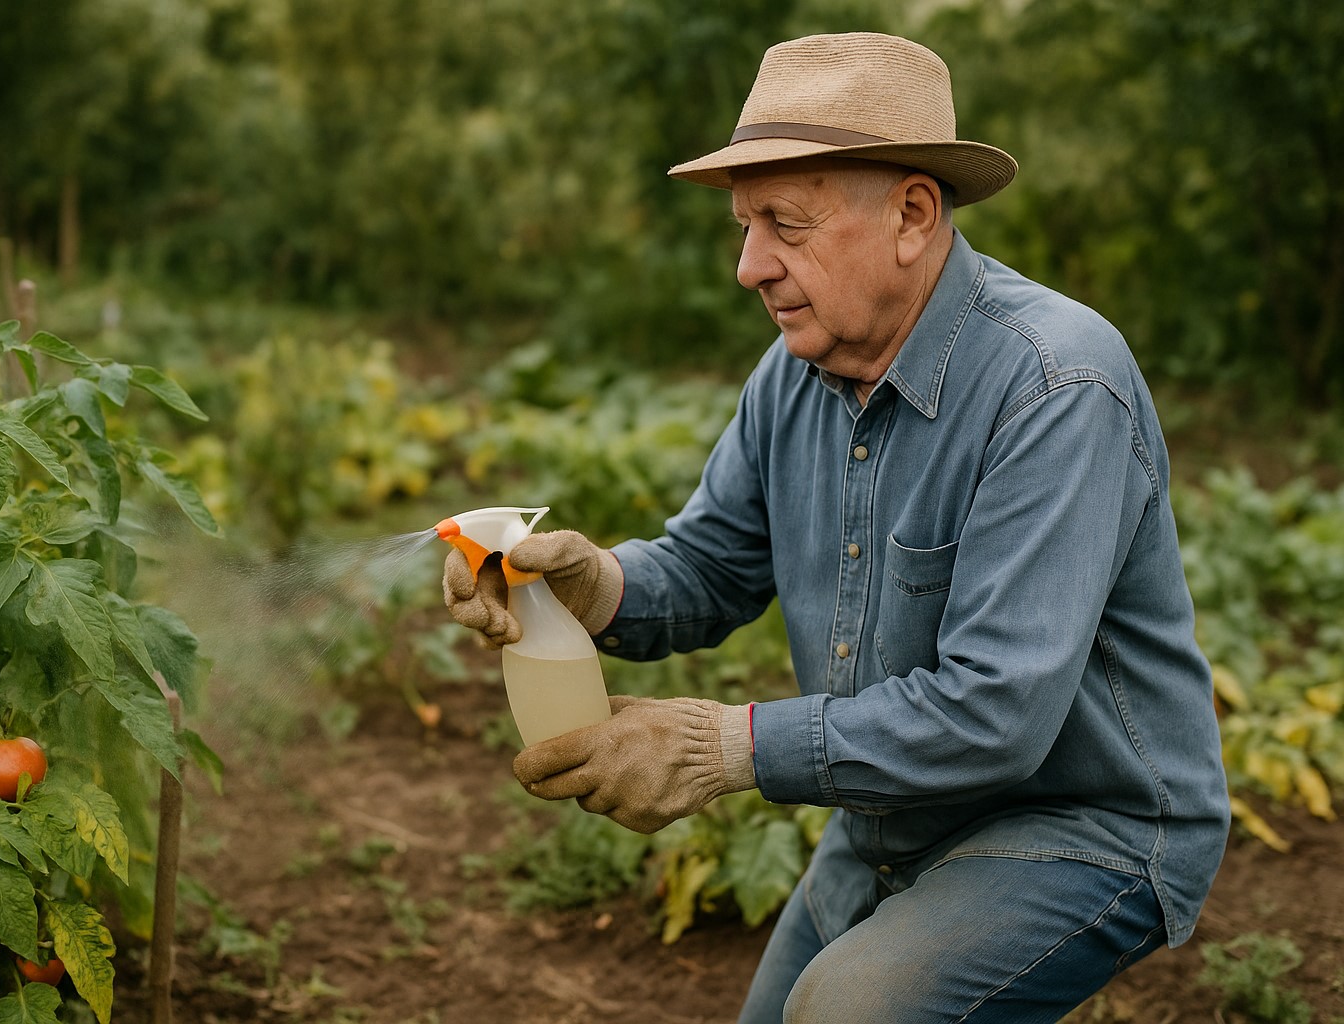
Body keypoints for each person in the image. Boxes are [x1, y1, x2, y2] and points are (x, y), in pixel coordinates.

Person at [442, 31, 1229, 1023]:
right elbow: (710, 566)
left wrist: (719, 747)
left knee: (853, 1010)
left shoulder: (1055, 384)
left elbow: (996, 713)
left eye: (784, 222)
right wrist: (591, 584)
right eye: (743, 224)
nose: (748, 265)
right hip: (893, 812)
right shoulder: (794, 374)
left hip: (1086, 821)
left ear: (911, 214)